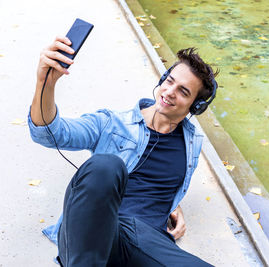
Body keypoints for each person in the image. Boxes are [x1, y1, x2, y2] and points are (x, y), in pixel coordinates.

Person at [28, 35, 218, 266]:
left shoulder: (192, 142)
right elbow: (50, 134)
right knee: (106, 165)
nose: (169, 91)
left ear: (196, 107)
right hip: (93, 233)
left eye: (183, 91)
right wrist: (45, 84)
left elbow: (160, 182)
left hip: (148, 241)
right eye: (169, 81)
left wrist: (172, 205)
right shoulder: (111, 123)